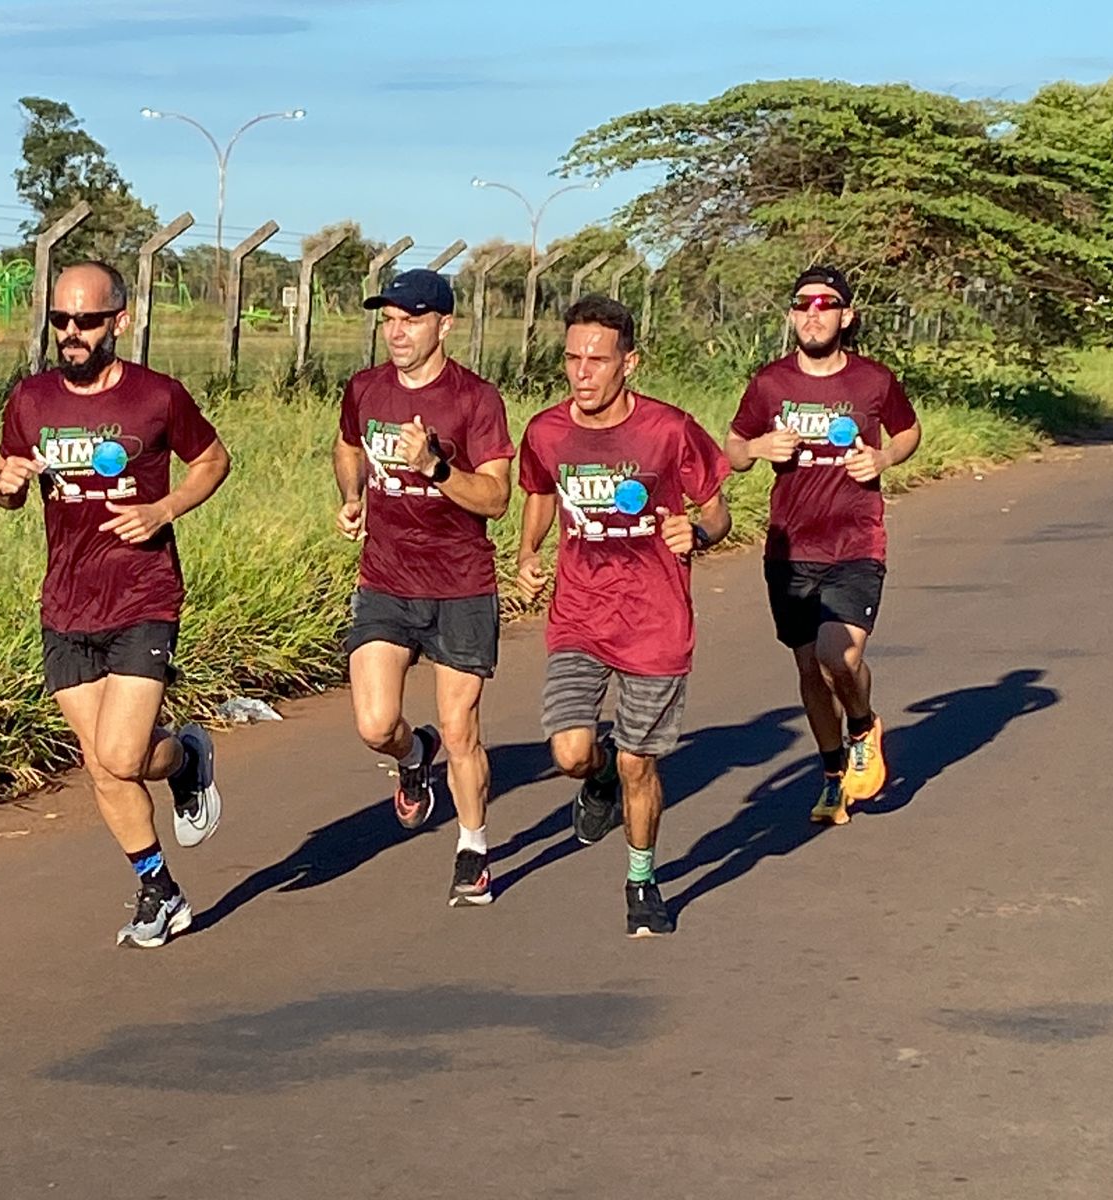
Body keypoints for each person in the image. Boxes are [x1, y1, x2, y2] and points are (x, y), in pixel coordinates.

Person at [0, 261, 231, 949]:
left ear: (119, 320)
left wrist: (164, 507)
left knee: (122, 757)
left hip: (142, 592)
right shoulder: (31, 400)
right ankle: (159, 887)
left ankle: (184, 762)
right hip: (66, 602)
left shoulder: (157, 397)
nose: (71, 333)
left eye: (86, 321)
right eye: (60, 320)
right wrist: (3, 484)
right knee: (101, 763)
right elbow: (8, 484)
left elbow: (213, 460)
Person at [517, 296, 732, 938]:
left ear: (628, 364)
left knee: (644, 761)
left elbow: (718, 512)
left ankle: (642, 879)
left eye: (597, 360)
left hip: (655, 621)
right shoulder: (547, 431)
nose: (582, 372)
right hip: (579, 614)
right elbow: (538, 490)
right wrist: (529, 552)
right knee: (570, 752)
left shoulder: (669, 431)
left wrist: (698, 531)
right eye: (572, 358)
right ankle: (598, 776)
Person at [334, 268, 515, 906]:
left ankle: (473, 845)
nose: (397, 332)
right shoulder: (365, 388)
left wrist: (435, 466)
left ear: (445, 324)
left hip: (461, 584)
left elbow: (496, 498)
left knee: (461, 727)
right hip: (386, 576)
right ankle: (414, 756)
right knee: (375, 723)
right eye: (389, 320)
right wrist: (353, 497)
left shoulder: (475, 400)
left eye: (411, 319)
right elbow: (348, 446)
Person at [726, 265, 921, 825]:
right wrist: (761, 445)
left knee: (840, 654)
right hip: (790, 549)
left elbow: (908, 430)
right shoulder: (769, 384)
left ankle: (862, 727)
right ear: (791, 316)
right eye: (803, 304)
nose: (813, 313)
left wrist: (883, 458)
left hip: (856, 540)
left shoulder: (873, 381)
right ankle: (834, 770)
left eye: (825, 303)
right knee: (810, 668)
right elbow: (733, 451)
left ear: (846, 315)